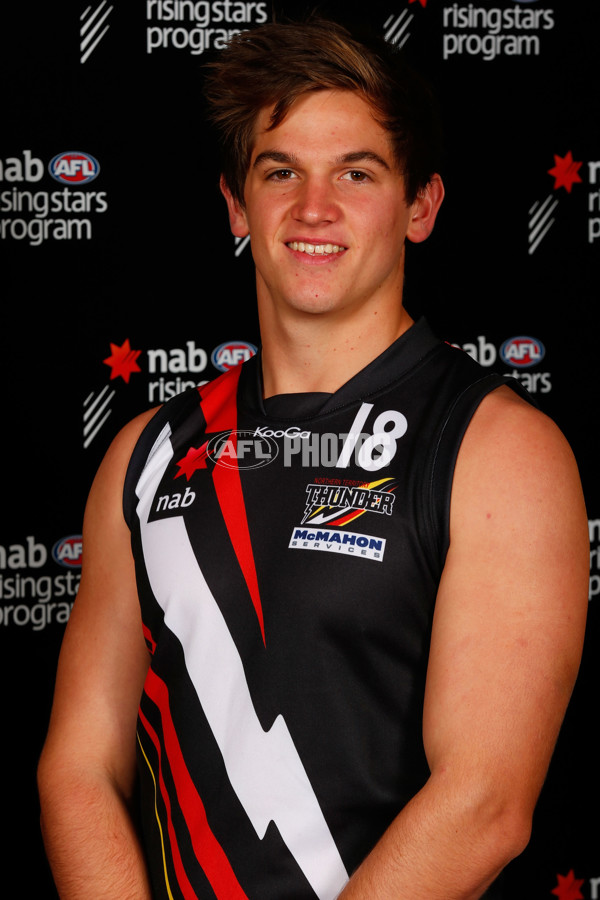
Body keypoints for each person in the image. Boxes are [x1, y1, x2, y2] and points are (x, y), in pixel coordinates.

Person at [37, 17, 589, 900]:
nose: (314, 208)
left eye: (356, 173)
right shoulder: (147, 455)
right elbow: (78, 769)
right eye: (280, 170)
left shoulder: (499, 451)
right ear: (235, 203)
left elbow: (484, 805)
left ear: (421, 207)